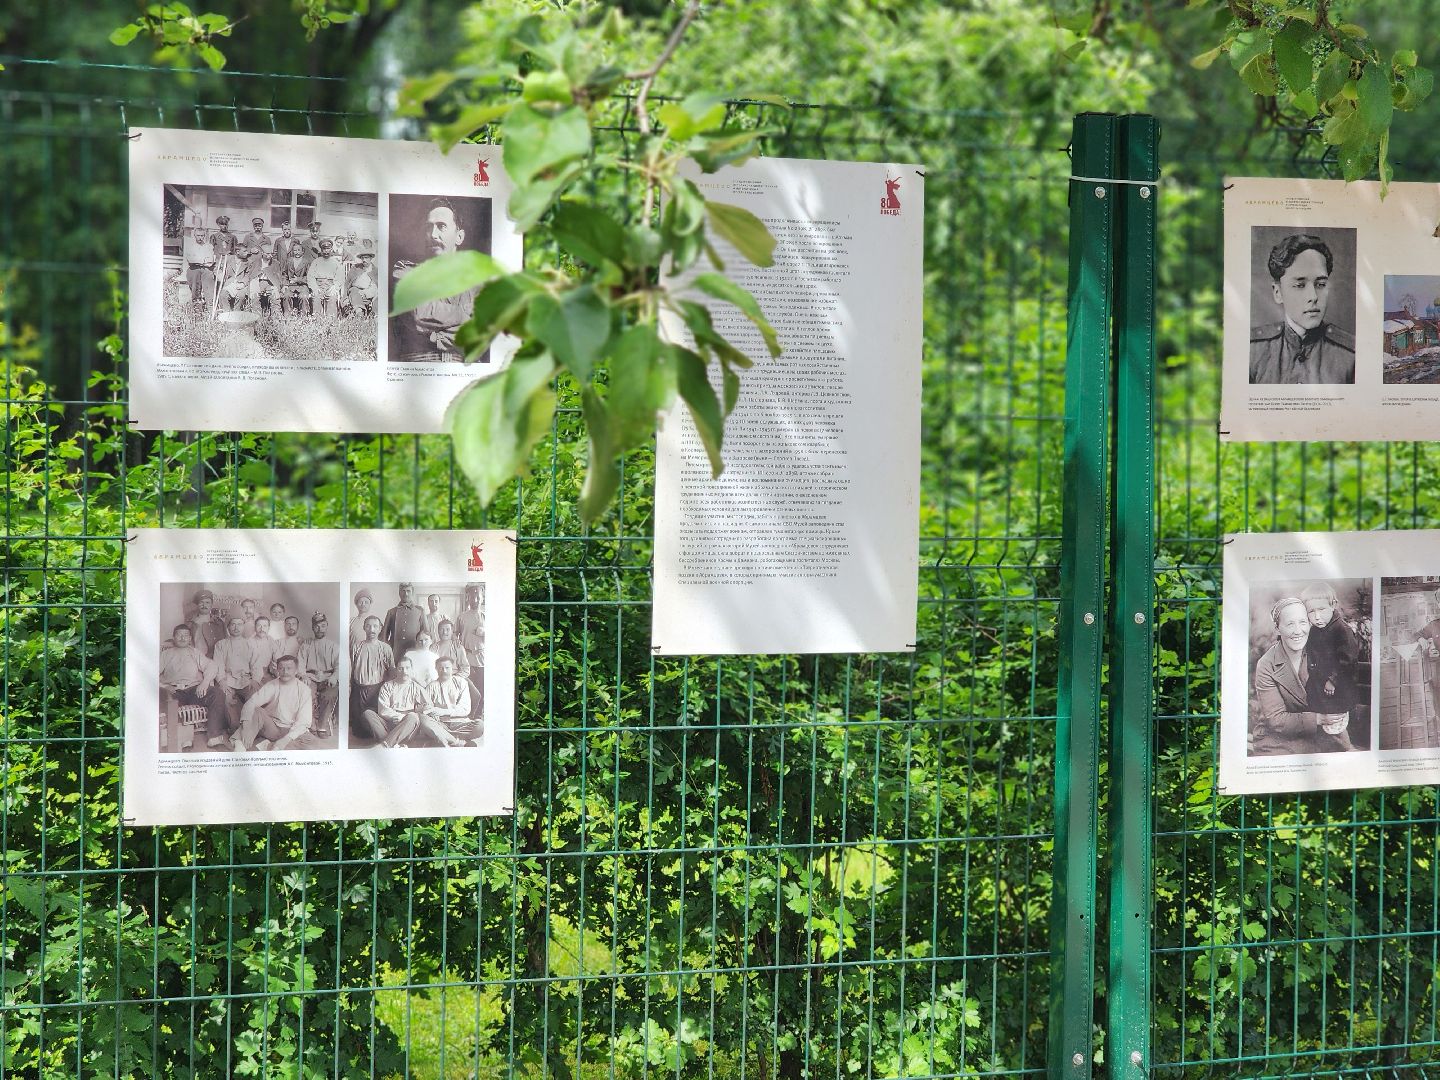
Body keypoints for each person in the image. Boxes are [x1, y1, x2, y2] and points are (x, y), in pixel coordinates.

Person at [1250, 233, 1355, 384]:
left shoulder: (1351, 356)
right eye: (1300, 285)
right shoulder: (1253, 352)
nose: (1313, 296)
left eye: (1320, 284)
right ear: (1278, 293)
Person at [1251, 596, 1349, 755]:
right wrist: (1319, 719)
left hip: (1325, 737)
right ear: (1277, 628)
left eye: (1303, 622)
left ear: (1310, 624)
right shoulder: (1267, 664)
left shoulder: (1324, 651)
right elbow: (1276, 720)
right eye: (1290, 624)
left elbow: (1344, 683)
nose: (1298, 631)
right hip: (1280, 740)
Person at [392, 199, 477, 362]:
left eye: (441, 226)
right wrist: (465, 315)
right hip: (419, 369)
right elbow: (420, 313)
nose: (432, 234)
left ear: (459, 236)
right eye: (428, 227)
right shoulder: (405, 270)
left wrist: (435, 333)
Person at [1299, 583, 1361, 750]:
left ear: (1333, 605)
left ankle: (1347, 748)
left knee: (1335, 721)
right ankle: (1324, 747)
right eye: (1311, 612)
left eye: (1321, 610)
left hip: (1338, 688)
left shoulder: (1342, 630)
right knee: (1321, 719)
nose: (1317, 617)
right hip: (1319, 687)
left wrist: (1333, 680)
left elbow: (1348, 660)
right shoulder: (1315, 630)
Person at [233, 655, 319, 751]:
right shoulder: (272, 685)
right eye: (281, 668)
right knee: (257, 711)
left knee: (312, 745)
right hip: (272, 728)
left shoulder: (304, 690)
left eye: (289, 668)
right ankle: (239, 742)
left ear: (296, 671)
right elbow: (251, 703)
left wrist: (285, 740)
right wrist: (246, 726)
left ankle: (269, 746)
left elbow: (303, 722)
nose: (285, 672)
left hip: (291, 729)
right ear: (277, 670)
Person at [159, 624, 219, 752]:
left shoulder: (195, 652)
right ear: (174, 637)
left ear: (190, 638)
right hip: (173, 691)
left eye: (185, 635)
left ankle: (214, 737)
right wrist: (164, 686)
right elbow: (151, 673)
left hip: (193, 690)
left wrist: (205, 682)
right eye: (179, 635)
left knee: (216, 693)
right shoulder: (166, 654)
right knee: (169, 703)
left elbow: (212, 666)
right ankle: (185, 739)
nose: (182, 638)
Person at [357, 657, 432, 747]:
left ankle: (385, 745)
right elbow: (383, 710)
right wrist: (398, 717)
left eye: (407, 668)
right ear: (396, 670)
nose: (404, 672)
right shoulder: (387, 686)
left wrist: (407, 716)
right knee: (368, 713)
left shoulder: (417, 687)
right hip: (389, 722)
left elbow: (429, 706)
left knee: (413, 717)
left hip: (406, 725)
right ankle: (394, 744)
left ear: (412, 669)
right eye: (401, 668)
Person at [209, 615, 260, 748]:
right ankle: (236, 729)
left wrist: (255, 680)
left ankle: (248, 729)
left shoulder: (250, 644)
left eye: (239, 624)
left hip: (246, 680)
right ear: (228, 627)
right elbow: (218, 665)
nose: (236, 627)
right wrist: (221, 681)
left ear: (244, 626)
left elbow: (256, 665)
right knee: (224, 697)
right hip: (228, 679)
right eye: (233, 624)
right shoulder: (221, 644)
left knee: (254, 697)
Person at [417, 656, 484, 746]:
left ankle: (443, 737)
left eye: (447, 668)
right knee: (423, 719)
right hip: (441, 723)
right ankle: (456, 741)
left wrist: (440, 711)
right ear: (436, 669)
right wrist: (431, 713)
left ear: (452, 668)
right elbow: (426, 707)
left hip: (460, 723)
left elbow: (465, 709)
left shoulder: (461, 682)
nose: (444, 671)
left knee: (480, 726)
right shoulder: (431, 686)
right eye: (441, 668)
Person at [349, 615, 394, 733]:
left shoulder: (385, 648)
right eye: (368, 626)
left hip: (377, 688)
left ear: (380, 628)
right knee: (358, 729)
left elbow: (391, 670)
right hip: (359, 688)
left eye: (375, 626)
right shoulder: (357, 646)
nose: (372, 629)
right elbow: (351, 668)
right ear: (364, 628)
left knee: (373, 723)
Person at [298, 612, 339, 739]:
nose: (319, 629)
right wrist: (303, 675)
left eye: (323, 625)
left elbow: (339, 665)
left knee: (329, 695)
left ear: (326, 626)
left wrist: (334, 677)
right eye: (316, 626)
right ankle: (310, 724)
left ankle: (322, 725)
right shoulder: (306, 644)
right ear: (312, 627)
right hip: (311, 678)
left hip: (328, 678)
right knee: (306, 693)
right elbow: (300, 663)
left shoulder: (333, 646)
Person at [382, 582, 425, 660]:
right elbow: (384, 635)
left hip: (414, 651)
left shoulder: (420, 611)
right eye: (403, 591)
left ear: (412, 593)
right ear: (399, 593)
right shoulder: (392, 612)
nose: (406, 594)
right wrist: (387, 651)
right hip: (395, 652)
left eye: (408, 591)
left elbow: (425, 633)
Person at [181, 217, 216, 312]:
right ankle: (197, 310)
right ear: (194, 236)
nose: (200, 238)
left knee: (209, 289)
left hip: (206, 270)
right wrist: (203, 260)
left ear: (204, 236)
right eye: (198, 236)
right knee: (195, 290)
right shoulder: (190, 246)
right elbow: (191, 260)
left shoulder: (209, 246)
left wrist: (199, 260)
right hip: (194, 269)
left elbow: (211, 261)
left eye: (202, 236)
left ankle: (210, 311)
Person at [307, 237, 344, 316]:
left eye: (328, 249)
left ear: (331, 249)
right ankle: (317, 320)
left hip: (331, 285)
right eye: (324, 249)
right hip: (318, 285)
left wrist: (335, 287)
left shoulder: (335, 262)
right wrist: (314, 287)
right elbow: (310, 276)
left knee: (332, 297)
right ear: (321, 250)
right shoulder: (316, 261)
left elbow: (340, 277)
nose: (326, 251)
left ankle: (330, 321)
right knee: (316, 297)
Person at [187, 588, 227, 657]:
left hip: (214, 658)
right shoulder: (190, 623)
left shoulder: (219, 623)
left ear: (211, 605)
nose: (204, 605)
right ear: (197, 604)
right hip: (195, 658)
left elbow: (225, 643)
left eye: (207, 602)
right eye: (201, 602)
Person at [279, 239, 312, 315]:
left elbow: (309, 277)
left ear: (302, 251)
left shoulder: (306, 261)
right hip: (290, 285)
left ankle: (304, 316)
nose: (297, 252)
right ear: (292, 252)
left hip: (303, 285)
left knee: (303, 297)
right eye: (295, 250)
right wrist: (284, 285)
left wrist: (298, 279)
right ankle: (287, 316)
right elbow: (284, 274)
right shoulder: (289, 261)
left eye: (298, 250)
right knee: (286, 295)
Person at [457, 584, 485, 671]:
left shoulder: (487, 616)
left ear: (482, 599)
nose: (475, 600)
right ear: (468, 599)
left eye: (478, 597)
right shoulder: (461, 616)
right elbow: (454, 633)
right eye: (472, 597)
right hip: (466, 658)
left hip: (482, 659)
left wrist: (484, 632)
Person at [345, 250, 378, 316]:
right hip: (355, 290)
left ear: (371, 258)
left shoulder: (375, 271)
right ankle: (359, 312)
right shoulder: (355, 268)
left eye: (366, 258)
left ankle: (372, 314)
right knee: (354, 290)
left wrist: (365, 293)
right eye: (362, 258)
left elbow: (375, 286)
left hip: (368, 292)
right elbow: (348, 283)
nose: (364, 260)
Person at [250, 616, 279, 681]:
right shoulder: (249, 642)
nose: (262, 629)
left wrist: (275, 668)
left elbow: (277, 657)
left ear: (268, 628)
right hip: (253, 676)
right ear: (255, 627)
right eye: (259, 626)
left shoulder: (270, 640)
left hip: (269, 674)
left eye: (265, 626)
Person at [349, 588, 375, 653]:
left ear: (370, 604)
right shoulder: (350, 622)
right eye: (360, 602)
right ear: (356, 604)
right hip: (354, 657)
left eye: (366, 602)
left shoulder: (376, 622)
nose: (363, 604)